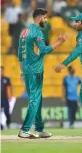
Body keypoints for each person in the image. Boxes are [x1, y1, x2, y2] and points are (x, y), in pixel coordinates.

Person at [17, 8, 68, 139]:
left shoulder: (24, 32)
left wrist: (22, 71)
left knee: (37, 100)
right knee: (35, 100)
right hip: (36, 71)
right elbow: (44, 50)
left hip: (28, 71)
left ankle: (39, 129)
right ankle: (25, 129)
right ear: (39, 18)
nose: (46, 20)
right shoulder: (36, 31)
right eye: (45, 18)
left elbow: (20, 55)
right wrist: (59, 42)